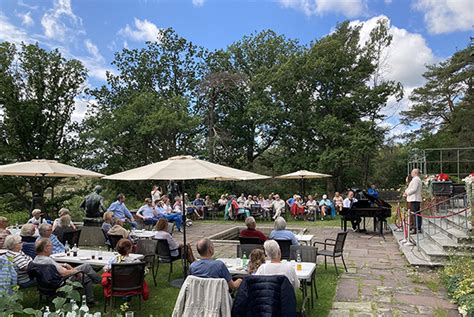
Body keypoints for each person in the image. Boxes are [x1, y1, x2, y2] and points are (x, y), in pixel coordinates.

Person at [33, 238, 101, 306]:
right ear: (45, 248)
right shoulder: (48, 260)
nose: (52, 247)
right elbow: (64, 273)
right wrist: (76, 271)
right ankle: (100, 283)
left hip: (44, 285)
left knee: (85, 273)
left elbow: (53, 266)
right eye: (50, 245)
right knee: (86, 269)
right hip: (60, 283)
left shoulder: (36, 260)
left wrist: (65, 264)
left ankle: (92, 296)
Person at [404, 168, 423, 233]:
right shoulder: (416, 179)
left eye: (412, 172)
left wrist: (407, 193)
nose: (411, 173)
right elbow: (410, 188)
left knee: (415, 214)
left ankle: (416, 228)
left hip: (414, 199)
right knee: (416, 214)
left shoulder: (416, 179)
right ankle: (417, 227)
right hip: (414, 199)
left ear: (415, 173)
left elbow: (414, 189)